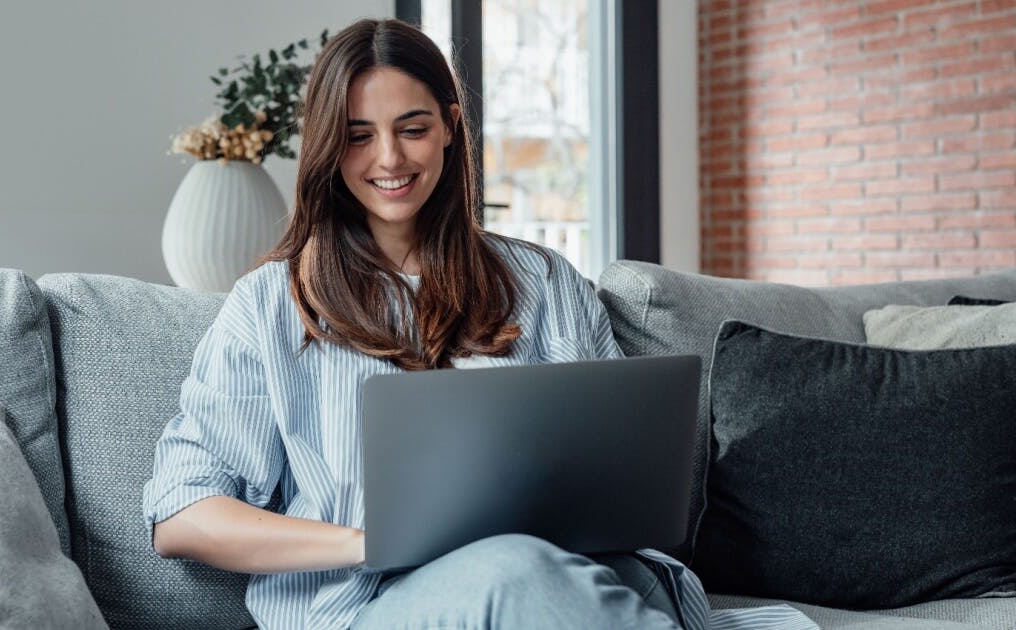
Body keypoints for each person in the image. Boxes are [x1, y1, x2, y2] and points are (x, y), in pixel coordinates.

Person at [142, 17, 812, 630]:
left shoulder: (543, 282)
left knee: (606, 577)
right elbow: (183, 516)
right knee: (512, 572)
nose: (390, 160)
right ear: (325, 146)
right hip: (373, 602)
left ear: (450, 125)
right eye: (357, 136)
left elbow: (621, 470)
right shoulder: (270, 304)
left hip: (570, 578)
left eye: (413, 128)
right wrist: (370, 542)